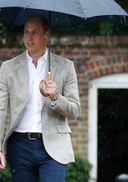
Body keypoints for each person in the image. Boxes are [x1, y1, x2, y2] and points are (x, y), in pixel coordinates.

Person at [0, 16, 80, 181]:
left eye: (35, 33)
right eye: (26, 32)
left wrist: (56, 97)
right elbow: (0, 109)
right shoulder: (8, 68)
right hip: (19, 146)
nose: (28, 38)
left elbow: (75, 110)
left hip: (54, 145)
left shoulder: (66, 66)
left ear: (46, 34)